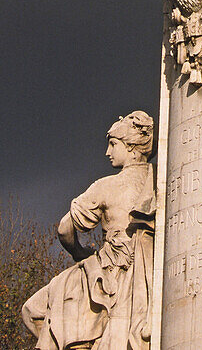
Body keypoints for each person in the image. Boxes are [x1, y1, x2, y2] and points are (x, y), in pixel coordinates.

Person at [22, 111, 155, 350]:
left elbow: (64, 229)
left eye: (113, 144)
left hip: (110, 274)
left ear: (131, 147)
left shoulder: (107, 185)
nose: (108, 152)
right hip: (148, 275)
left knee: (34, 309)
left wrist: (78, 252)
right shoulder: (160, 181)